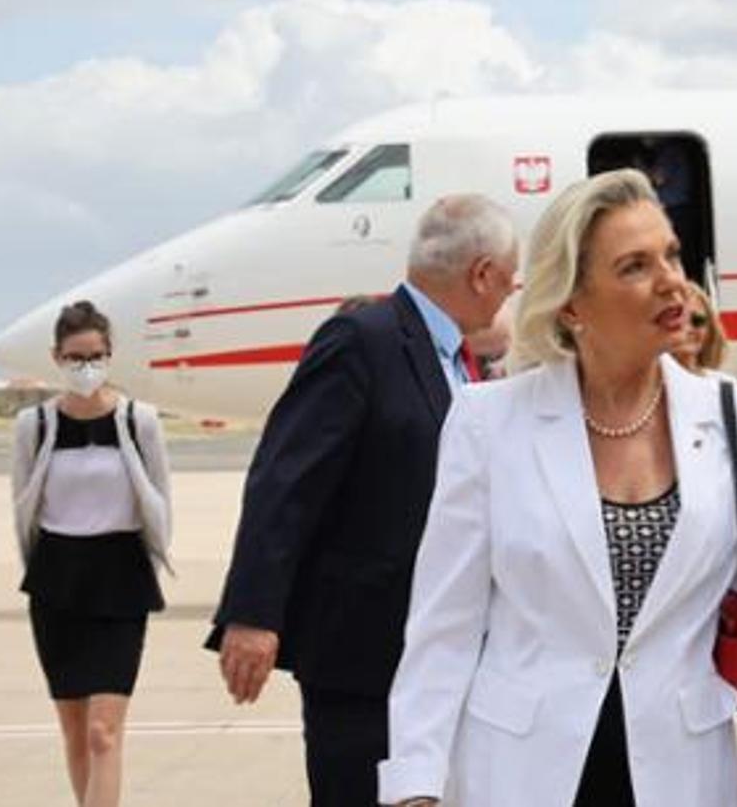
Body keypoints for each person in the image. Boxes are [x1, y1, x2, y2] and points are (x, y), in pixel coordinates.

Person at [378, 170, 737, 807]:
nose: (672, 281)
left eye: (671, 255)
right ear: (571, 304)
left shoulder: (735, 416)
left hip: (683, 775)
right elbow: (443, 627)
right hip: (522, 775)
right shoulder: (488, 422)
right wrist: (414, 785)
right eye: (635, 266)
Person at [205, 194, 518, 805]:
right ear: (482, 274)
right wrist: (254, 613)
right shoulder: (363, 341)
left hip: (444, 655)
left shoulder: (462, 365)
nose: (512, 291)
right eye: (510, 277)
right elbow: (286, 478)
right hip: (363, 657)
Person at [11, 301, 171, 807]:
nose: (86, 366)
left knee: (104, 731)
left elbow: (160, 500)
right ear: (57, 357)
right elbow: (23, 505)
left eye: (95, 356)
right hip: (57, 578)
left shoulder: (139, 421)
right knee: (76, 732)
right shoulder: (34, 425)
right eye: (76, 357)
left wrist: (154, 559)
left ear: (109, 355)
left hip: (121, 576)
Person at [673, 281, 730, 375]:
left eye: (697, 320)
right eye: (677, 320)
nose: (688, 328)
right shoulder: (648, 384)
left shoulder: (723, 383)